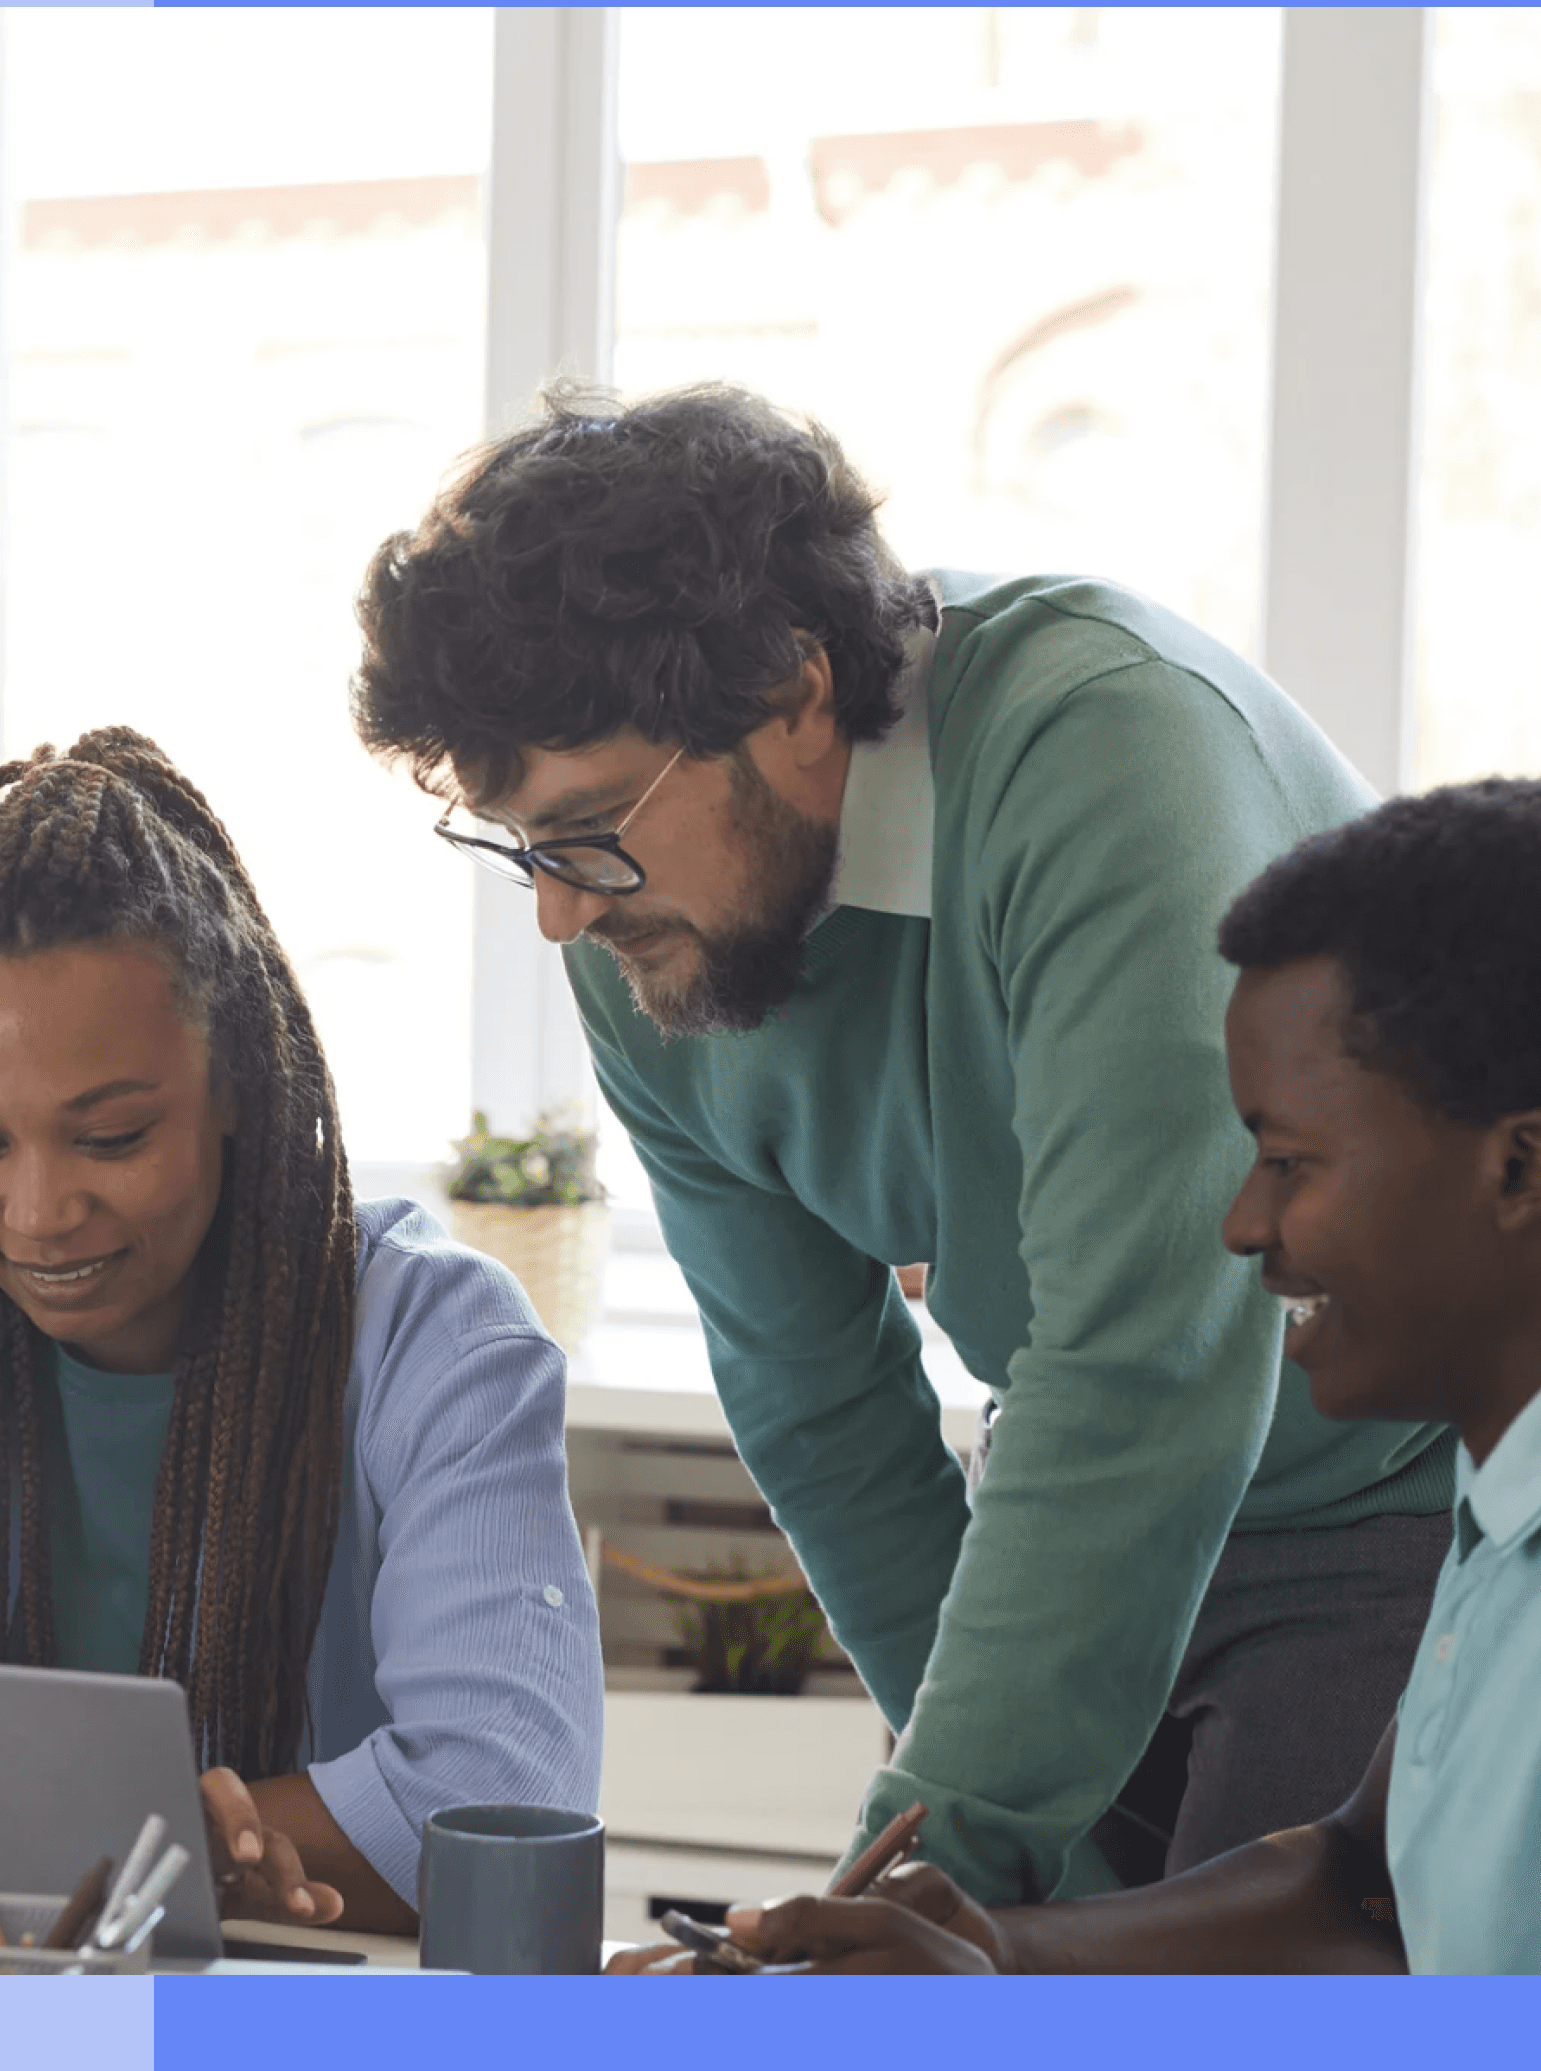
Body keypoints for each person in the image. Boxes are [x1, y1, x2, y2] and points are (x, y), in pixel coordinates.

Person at [351, 384, 1451, 1907]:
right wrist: (944, 1873)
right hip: (1075, 1496)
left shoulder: (1108, 752)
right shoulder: (632, 925)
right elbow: (817, 1406)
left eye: (593, 827)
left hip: (1375, 1500)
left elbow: (1143, 1363)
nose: (559, 910)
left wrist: (925, 1879)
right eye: (523, 845)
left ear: (798, 697)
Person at [718, 778, 1541, 1974]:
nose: (1242, 1224)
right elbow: (1364, 1890)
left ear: (1521, 1169)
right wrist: (999, 1954)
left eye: (1288, 1161)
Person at [0, 731, 603, 1934]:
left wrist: (74, 1858)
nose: (41, 1214)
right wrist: (189, 1848)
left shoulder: (437, 1345)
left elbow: (500, 1807)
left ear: (237, 1097)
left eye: (109, 1139)